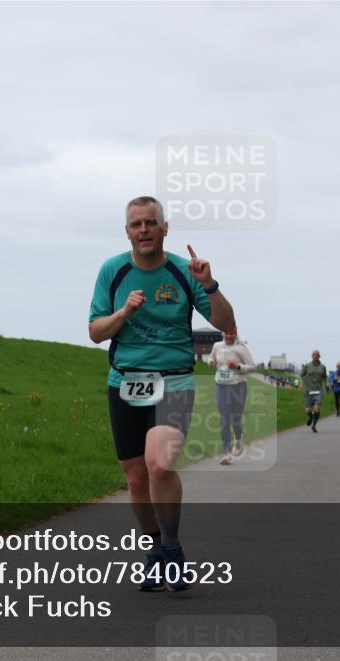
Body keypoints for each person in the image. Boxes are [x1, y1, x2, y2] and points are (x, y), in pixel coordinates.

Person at [89, 195, 235, 592]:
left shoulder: (184, 271)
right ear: (127, 231)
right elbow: (96, 332)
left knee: (160, 464)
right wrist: (124, 313)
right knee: (136, 479)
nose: (144, 230)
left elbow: (226, 324)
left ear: (165, 228)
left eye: (151, 223)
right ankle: (154, 549)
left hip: (174, 380)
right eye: (136, 224)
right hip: (125, 382)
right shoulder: (113, 271)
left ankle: (172, 548)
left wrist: (209, 284)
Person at [208, 327, 255, 465]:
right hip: (221, 385)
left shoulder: (241, 348)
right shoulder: (217, 346)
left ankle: (238, 439)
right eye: (226, 333)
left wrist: (238, 366)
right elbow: (211, 357)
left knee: (236, 418)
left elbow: (253, 367)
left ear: (235, 333)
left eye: (231, 334)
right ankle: (227, 453)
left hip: (238, 386)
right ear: (222, 333)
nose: (228, 336)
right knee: (224, 418)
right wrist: (210, 362)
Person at [301, 350, 328, 432]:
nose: (315, 356)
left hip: (319, 390)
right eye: (314, 355)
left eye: (317, 355)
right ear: (312, 356)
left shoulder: (323, 367)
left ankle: (314, 425)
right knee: (308, 410)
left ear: (319, 356)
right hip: (308, 390)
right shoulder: (307, 366)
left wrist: (327, 384)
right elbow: (301, 375)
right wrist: (301, 383)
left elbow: (325, 377)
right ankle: (311, 417)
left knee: (317, 408)